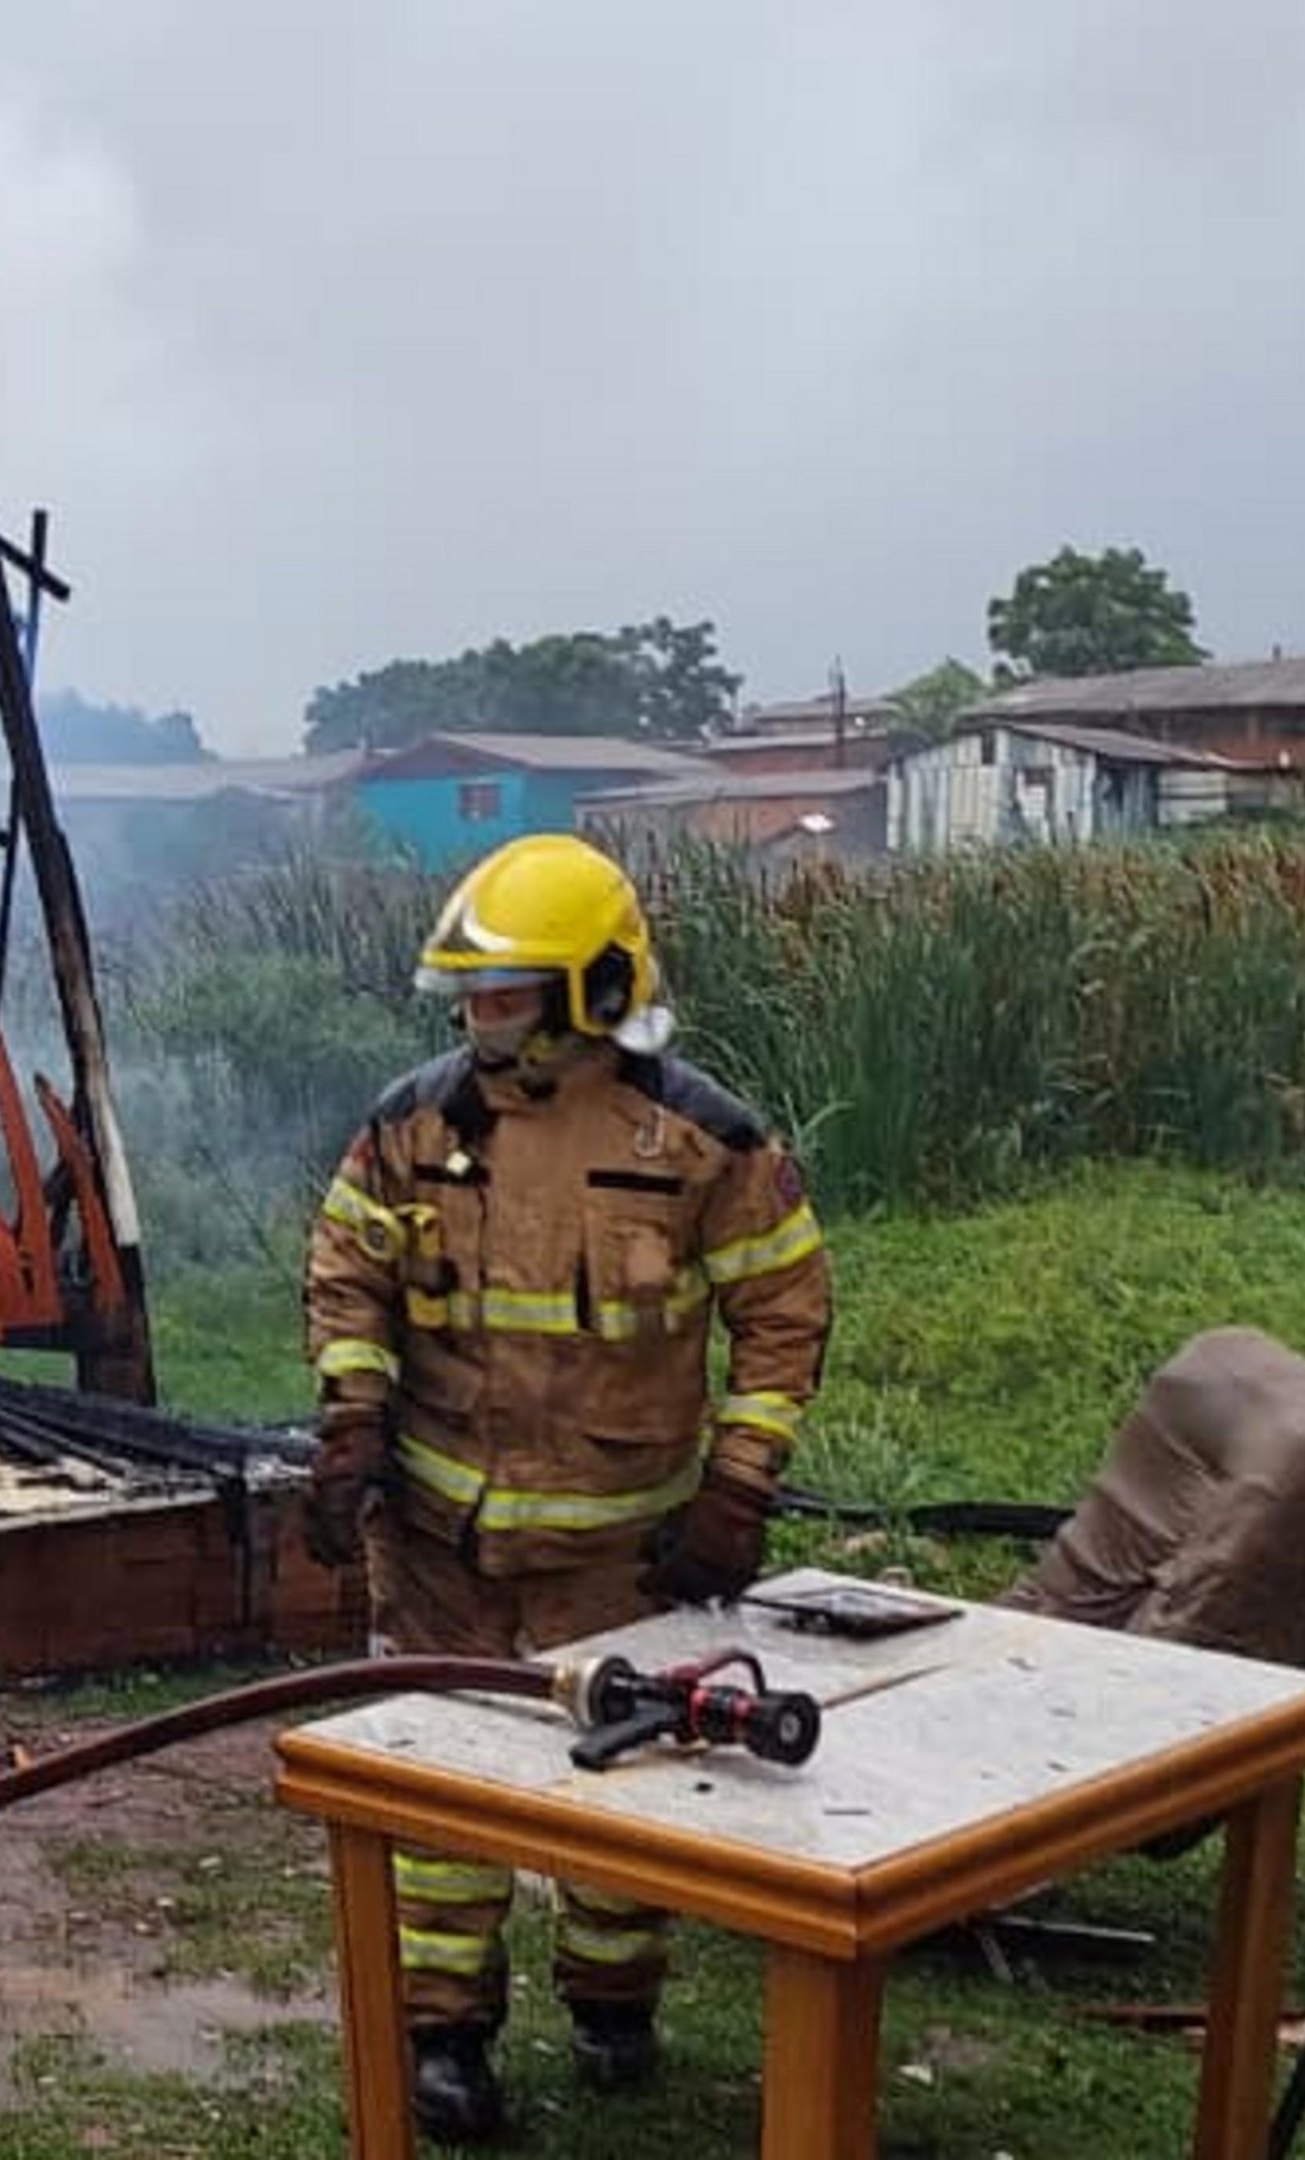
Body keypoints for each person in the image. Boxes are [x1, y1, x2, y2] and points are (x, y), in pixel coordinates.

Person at [300, 834, 831, 2142]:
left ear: (588, 989)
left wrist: (739, 1489)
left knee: (623, 1788)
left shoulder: (700, 1140)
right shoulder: (411, 1124)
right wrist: (351, 1414)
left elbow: (782, 1309)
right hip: (435, 1539)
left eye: (505, 993)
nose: (476, 1019)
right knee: (437, 1796)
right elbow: (345, 1273)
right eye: (467, 996)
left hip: (622, 1551)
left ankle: (609, 2002)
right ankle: (445, 2036)